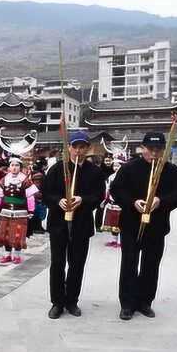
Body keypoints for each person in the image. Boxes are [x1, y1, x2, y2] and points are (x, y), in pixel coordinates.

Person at [110, 131, 177, 320]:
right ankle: (127, 304)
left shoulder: (171, 171)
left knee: (151, 264)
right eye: (150, 149)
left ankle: (145, 301)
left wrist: (161, 201)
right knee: (129, 263)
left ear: (164, 150)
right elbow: (116, 190)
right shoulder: (129, 168)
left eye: (158, 149)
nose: (154, 153)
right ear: (142, 148)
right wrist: (132, 202)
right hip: (131, 224)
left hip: (157, 225)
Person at [42, 131, 105, 319]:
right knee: (58, 264)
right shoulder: (57, 169)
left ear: (87, 149)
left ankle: (72, 301)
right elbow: (45, 194)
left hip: (81, 224)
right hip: (59, 225)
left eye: (82, 147)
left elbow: (98, 196)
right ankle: (57, 302)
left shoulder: (94, 172)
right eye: (75, 146)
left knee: (77, 264)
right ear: (69, 147)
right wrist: (58, 200)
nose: (78, 151)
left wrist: (83, 200)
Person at [0, 157, 38, 265]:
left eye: (17, 165)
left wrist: (31, 210)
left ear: (20, 168)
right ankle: (7, 255)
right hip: (6, 211)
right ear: (9, 167)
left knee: (18, 233)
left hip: (20, 212)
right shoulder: (4, 179)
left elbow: (30, 197)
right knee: (5, 233)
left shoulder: (25, 180)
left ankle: (17, 255)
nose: (14, 168)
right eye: (12, 165)